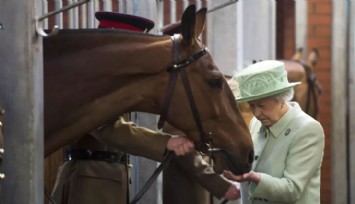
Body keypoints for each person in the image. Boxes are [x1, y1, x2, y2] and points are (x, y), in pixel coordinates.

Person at [49, 12, 195, 204]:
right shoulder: (91, 77)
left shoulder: (112, 80)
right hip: (88, 185)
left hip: (107, 181)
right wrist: (166, 142)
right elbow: (107, 128)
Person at [161, 22, 241, 204]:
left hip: (201, 185)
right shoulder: (176, 97)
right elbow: (182, 149)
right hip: (186, 188)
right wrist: (219, 184)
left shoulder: (192, 93)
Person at [224, 60, 325, 203]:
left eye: (262, 105)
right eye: (252, 106)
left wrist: (253, 177)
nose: (257, 113)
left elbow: (292, 189)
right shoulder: (255, 123)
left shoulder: (308, 129)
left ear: (282, 98)